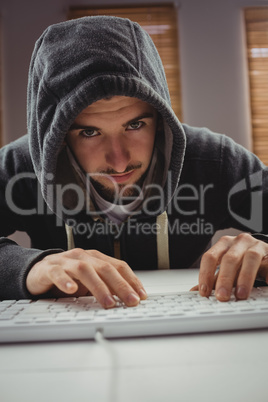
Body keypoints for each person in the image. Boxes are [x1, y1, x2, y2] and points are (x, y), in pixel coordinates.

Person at [0, 16, 267, 308]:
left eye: (136, 125)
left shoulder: (214, 158)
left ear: (160, 118)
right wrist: (31, 268)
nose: (118, 162)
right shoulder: (19, 165)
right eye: (89, 132)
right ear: (59, 137)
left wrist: (263, 248)